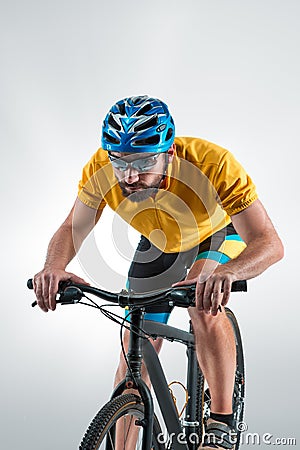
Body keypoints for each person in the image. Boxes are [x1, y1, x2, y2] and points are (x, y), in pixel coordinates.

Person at [33, 95, 283, 449]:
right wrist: (53, 268)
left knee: (202, 301)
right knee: (134, 341)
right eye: (120, 162)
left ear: (170, 153)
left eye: (144, 161)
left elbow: (269, 242)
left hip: (215, 235)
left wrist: (228, 273)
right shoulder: (101, 171)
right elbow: (71, 228)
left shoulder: (214, 163)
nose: (130, 176)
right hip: (159, 245)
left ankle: (221, 422)